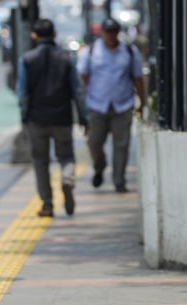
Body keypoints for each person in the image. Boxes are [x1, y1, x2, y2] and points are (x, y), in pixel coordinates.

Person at [16, 18, 88, 217]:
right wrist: (83, 117)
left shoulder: (26, 60)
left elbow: (22, 93)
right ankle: (67, 179)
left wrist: (24, 117)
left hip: (36, 119)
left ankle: (47, 205)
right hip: (62, 117)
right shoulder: (66, 58)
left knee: (40, 161)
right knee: (66, 156)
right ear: (55, 34)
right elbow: (78, 91)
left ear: (34, 36)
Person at [76, 18, 145, 193]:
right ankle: (99, 166)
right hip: (97, 105)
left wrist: (142, 102)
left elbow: (137, 77)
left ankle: (119, 180)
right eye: (108, 31)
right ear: (103, 33)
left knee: (121, 144)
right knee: (94, 142)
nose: (111, 35)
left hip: (123, 105)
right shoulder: (91, 51)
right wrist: (82, 105)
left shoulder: (129, 51)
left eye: (114, 31)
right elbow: (83, 76)